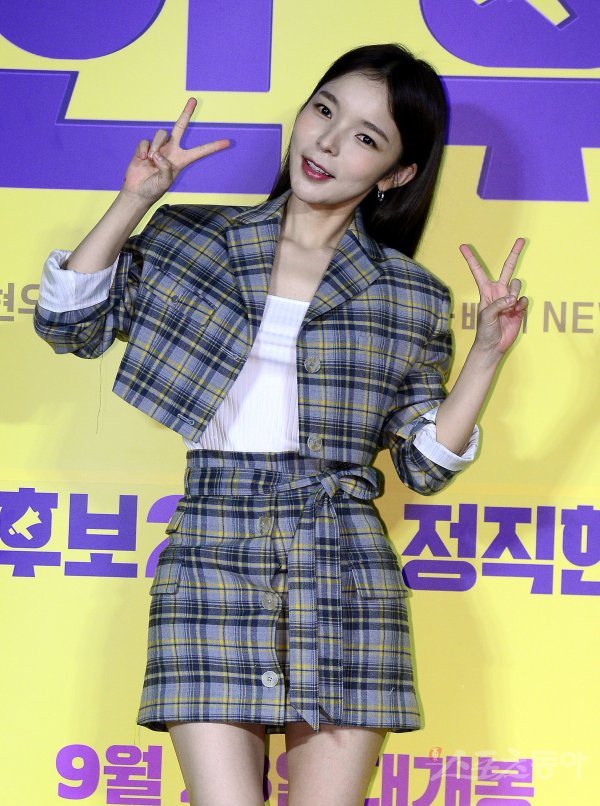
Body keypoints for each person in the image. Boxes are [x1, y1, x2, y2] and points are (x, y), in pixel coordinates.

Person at [34, 43, 527, 806]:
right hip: (210, 552)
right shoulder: (191, 239)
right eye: (324, 111)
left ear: (396, 174)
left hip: (344, 563)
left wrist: (487, 356)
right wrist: (135, 200)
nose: (327, 142)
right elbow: (72, 327)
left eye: (365, 137)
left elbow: (424, 465)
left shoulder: (409, 295)